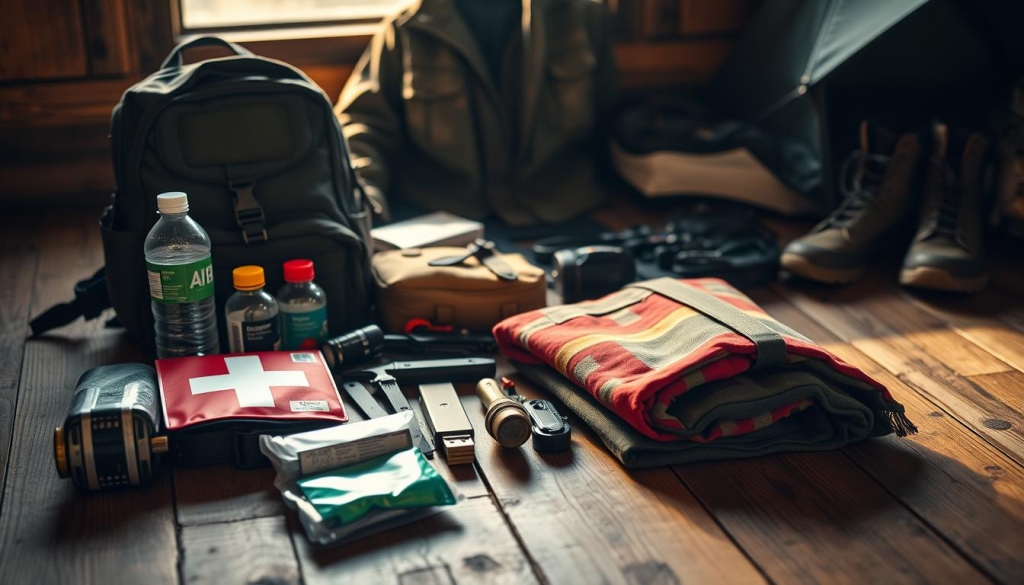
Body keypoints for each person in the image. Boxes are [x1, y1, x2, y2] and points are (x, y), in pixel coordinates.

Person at [335, 0, 617, 226]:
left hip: (563, 211)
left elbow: (611, 115)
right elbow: (362, 126)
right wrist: (364, 198)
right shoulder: (410, 27)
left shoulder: (580, 17)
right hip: (442, 221)